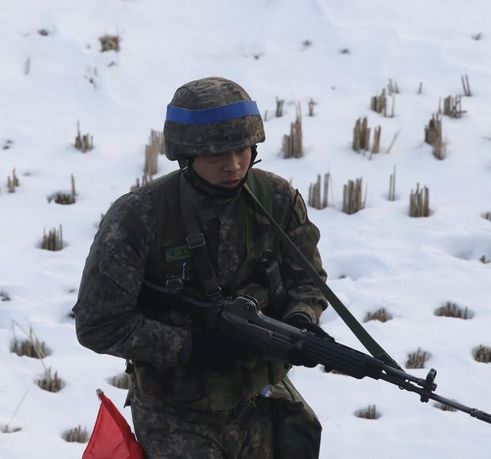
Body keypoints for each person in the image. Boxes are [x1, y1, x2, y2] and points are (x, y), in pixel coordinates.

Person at [73, 77, 328, 458]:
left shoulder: (276, 200)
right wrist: (190, 347)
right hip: (175, 411)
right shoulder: (138, 218)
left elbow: (307, 282)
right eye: (215, 155)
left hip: (258, 399)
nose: (234, 165)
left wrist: (300, 323)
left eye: (242, 150)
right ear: (186, 156)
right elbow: (97, 323)